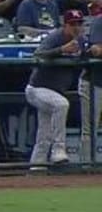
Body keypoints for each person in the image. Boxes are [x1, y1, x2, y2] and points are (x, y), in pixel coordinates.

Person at [24, 10, 86, 166]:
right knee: (62, 104)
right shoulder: (56, 37)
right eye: (72, 24)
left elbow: (87, 54)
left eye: (79, 24)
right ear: (65, 25)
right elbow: (38, 54)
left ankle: (36, 167)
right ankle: (59, 149)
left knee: (44, 133)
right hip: (37, 89)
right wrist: (61, 50)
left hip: (55, 91)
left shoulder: (81, 40)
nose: (76, 27)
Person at [79, 11, 102, 163]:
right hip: (95, 82)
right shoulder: (99, 22)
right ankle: (86, 167)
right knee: (90, 129)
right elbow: (96, 50)